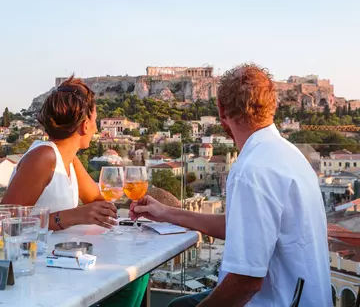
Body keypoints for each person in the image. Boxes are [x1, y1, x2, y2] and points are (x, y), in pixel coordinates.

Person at [130, 63, 332, 306]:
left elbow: (246, 283)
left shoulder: (252, 169)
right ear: (273, 106)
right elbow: (237, 225)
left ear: (221, 110)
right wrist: (165, 212)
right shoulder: (289, 154)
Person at [2, 76, 148, 307]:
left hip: (62, 260)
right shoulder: (43, 156)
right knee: (131, 277)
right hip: (35, 271)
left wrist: (135, 200)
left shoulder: (67, 158)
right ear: (85, 125)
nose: (97, 128)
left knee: (137, 273)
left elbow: (98, 200)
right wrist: (71, 216)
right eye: (95, 120)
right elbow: (6, 222)